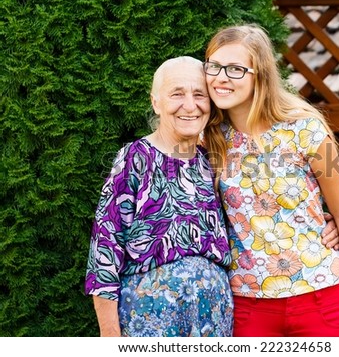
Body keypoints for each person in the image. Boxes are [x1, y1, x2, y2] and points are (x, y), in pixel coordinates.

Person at [202, 24, 339, 337]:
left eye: (236, 69)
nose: (221, 78)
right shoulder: (208, 138)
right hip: (248, 302)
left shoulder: (308, 129)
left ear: (260, 74)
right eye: (214, 66)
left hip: (320, 292)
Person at [84, 56, 234, 337]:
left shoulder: (213, 161)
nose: (190, 105)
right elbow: (105, 248)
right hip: (150, 320)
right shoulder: (135, 158)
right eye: (177, 94)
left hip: (214, 319)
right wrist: (110, 334)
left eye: (199, 94)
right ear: (156, 102)